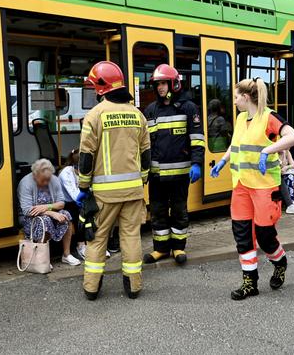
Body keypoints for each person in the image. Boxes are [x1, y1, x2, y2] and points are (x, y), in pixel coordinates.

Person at [210, 78, 294, 300]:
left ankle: (280, 262)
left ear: (246, 97)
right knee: (242, 236)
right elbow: (236, 144)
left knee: (264, 236)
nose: (234, 101)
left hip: (264, 188)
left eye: (236, 97)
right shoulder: (241, 118)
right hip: (241, 185)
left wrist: (267, 151)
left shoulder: (269, 117)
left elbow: (293, 136)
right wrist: (223, 161)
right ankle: (250, 283)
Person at [75, 61, 151, 301]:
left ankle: (91, 288)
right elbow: (146, 154)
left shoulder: (95, 115)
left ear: (100, 87)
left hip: (104, 195)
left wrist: (83, 187)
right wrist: (142, 181)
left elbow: (86, 156)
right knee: (131, 236)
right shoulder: (137, 114)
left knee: (98, 239)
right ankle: (134, 287)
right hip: (133, 191)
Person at [143, 64, 205, 265]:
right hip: (157, 175)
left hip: (180, 173)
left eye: (163, 83)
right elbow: (145, 144)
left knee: (179, 210)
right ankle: (160, 249)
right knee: (158, 211)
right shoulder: (150, 111)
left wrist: (197, 164)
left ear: (174, 83)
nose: (160, 87)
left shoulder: (188, 108)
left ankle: (178, 247)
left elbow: (197, 139)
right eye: (158, 84)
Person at [17, 158, 81, 266]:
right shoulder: (26, 183)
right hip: (28, 217)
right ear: (35, 175)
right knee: (45, 220)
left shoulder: (54, 180)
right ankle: (43, 258)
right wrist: (51, 213)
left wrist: (46, 207)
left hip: (50, 212)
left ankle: (66, 254)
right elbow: (27, 210)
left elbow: (61, 203)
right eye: (43, 180)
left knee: (66, 215)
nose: (46, 182)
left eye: (48, 179)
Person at [58, 149, 86, 260]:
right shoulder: (66, 174)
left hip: (77, 202)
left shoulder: (80, 170)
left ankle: (95, 245)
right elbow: (75, 196)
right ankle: (81, 245)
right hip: (65, 203)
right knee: (82, 212)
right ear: (76, 166)